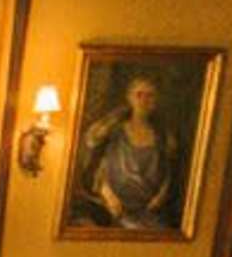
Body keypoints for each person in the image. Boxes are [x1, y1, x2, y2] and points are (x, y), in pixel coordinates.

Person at [69, 71, 185, 233]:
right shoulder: (113, 130)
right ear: (130, 98)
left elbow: (168, 174)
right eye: (139, 95)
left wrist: (159, 198)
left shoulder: (163, 136)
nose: (144, 100)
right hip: (112, 208)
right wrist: (109, 196)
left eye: (150, 95)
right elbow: (97, 167)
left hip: (149, 212)